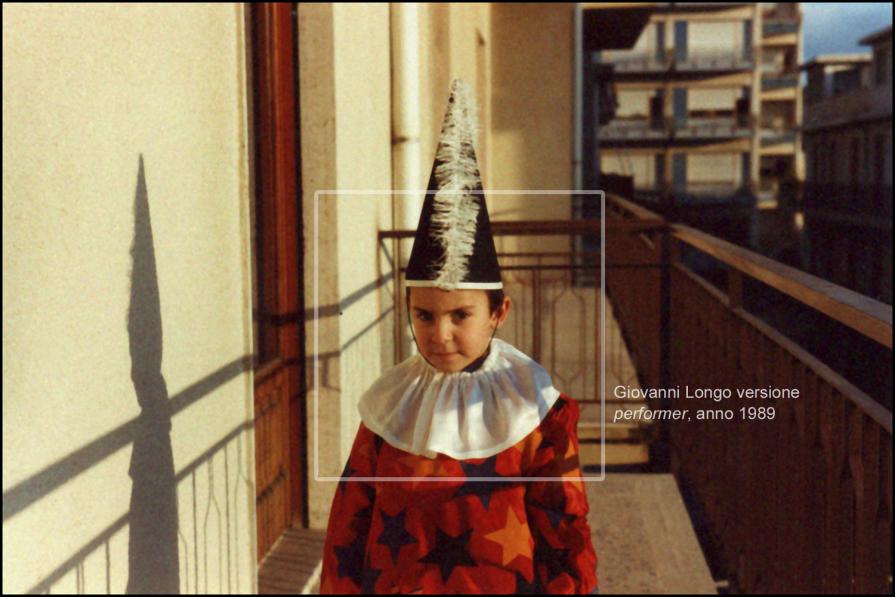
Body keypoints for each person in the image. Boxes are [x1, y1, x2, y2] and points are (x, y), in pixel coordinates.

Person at [319, 79, 598, 594]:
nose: (440, 334)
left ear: (498, 313)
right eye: (424, 316)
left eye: (461, 315)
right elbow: (348, 528)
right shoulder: (388, 408)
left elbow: (566, 532)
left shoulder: (537, 410)